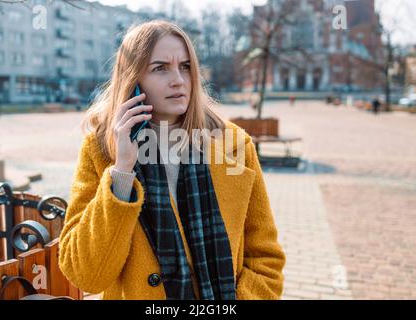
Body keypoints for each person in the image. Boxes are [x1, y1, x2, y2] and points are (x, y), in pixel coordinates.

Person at [59, 20, 285, 300]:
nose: (178, 79)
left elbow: (266, 260)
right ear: (133, 81)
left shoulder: (233, 145)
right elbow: (86, 275)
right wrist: (122, 172)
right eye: (160, 68)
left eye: (186, 66)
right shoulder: (102, 149)